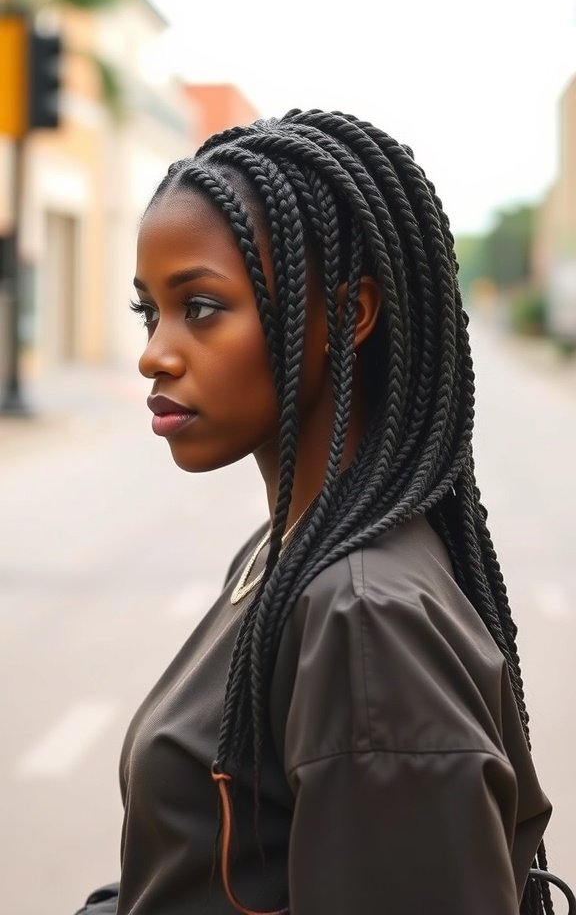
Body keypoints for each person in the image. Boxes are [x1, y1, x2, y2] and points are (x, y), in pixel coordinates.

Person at [77, 109, 554, 915]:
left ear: (348, 313)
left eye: (200, 307)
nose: (155, 351)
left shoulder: (365, 617)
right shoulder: (292, 549)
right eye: (147, 311)